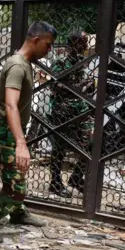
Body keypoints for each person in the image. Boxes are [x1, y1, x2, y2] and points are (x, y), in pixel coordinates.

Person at [0, 22, 56, 244]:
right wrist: (21, 143)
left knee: (12, 177)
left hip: (12, 131)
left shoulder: (24, 63)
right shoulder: (17, 66)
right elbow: (10, 105)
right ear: (35, 40)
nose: (49, 50)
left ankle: (18, 213)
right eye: (47, 45)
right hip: (6, 133)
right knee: (17, 187)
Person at [49, 32, 92, 198]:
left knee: (93, 143)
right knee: (59, 148)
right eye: (83, 43)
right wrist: (78, 87)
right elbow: (55, 85)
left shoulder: (81, 62)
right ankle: (55, 182)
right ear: (73, 44)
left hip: (80, 110)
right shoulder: (60, 62)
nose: (86, 46)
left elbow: (82, 85)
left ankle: (76, 178)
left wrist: (88, 87)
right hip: (62, 110)